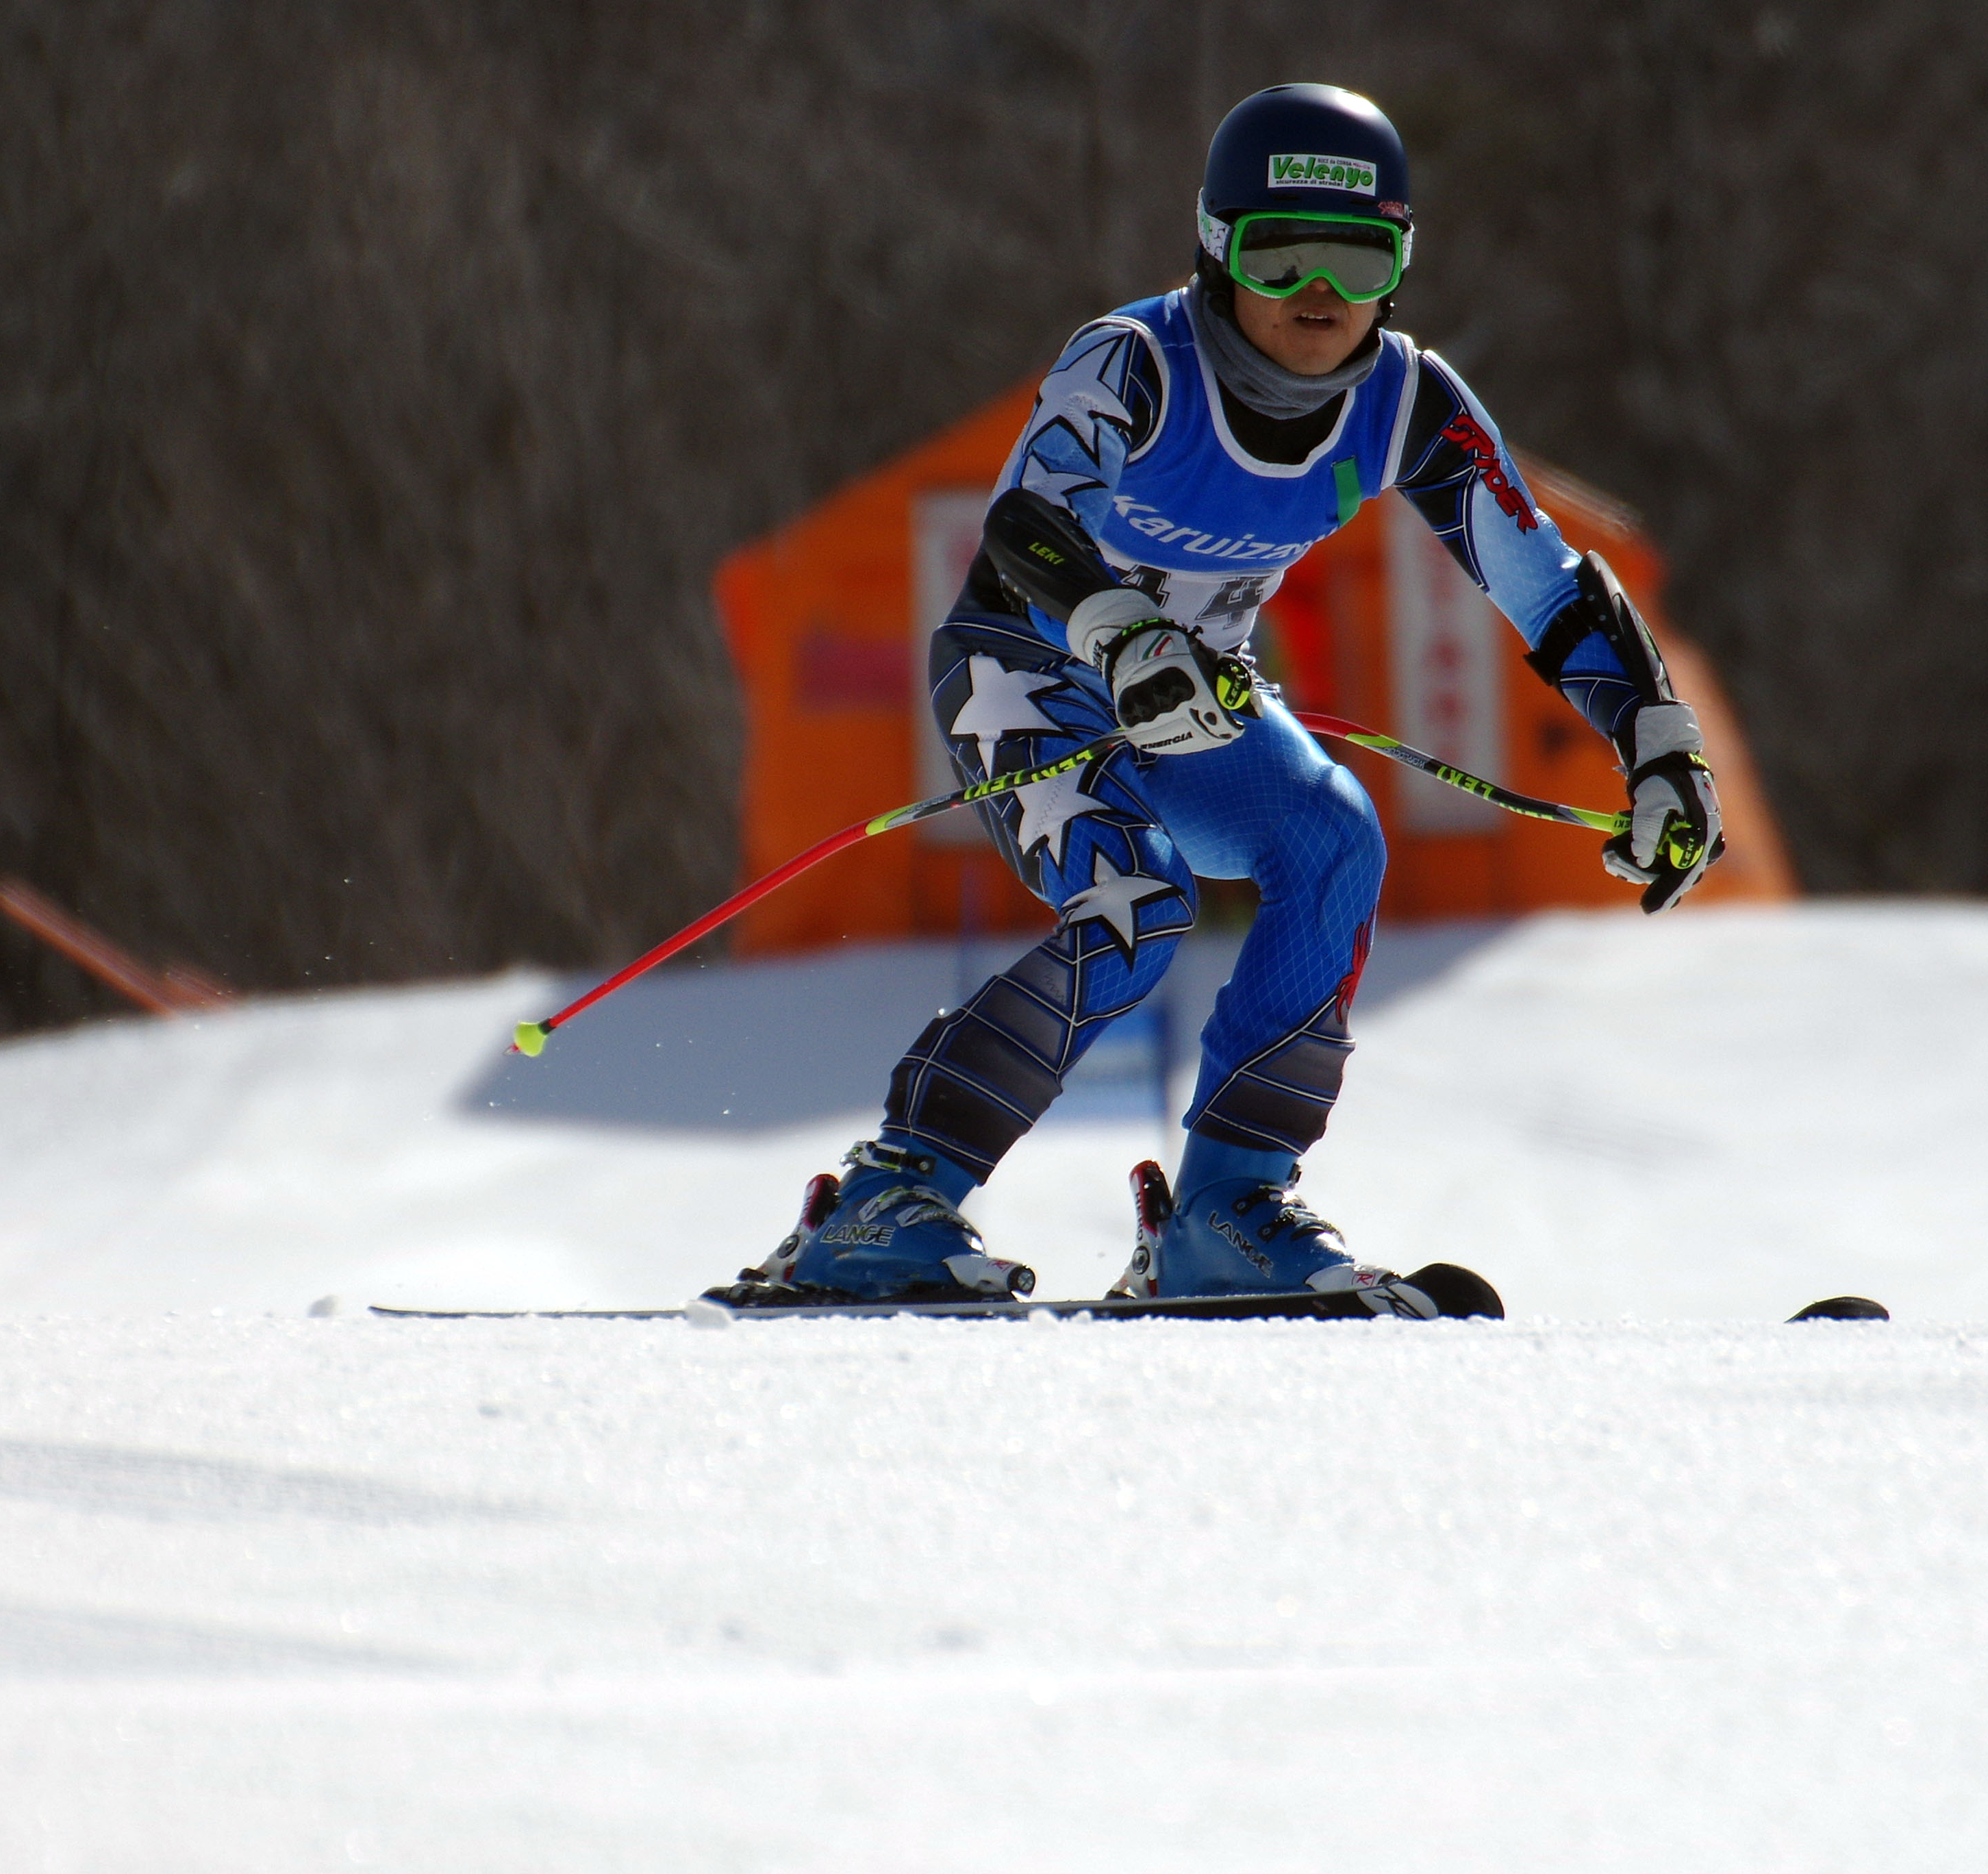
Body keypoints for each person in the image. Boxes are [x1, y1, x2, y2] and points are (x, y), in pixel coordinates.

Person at [737, 84, 1724, 1309]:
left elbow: (1548, 585)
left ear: (1401, 267)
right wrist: (1121, 637)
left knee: (1334, 841)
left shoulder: (1407, 402)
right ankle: (889, 1197)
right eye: (1280, 254)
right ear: (1216, 246)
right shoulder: (1138, 360)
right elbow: (1026, 526)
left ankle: (1226, 1211)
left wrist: (1658, 741)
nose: (1321, 293)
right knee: (1137, 898)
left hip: (1197, 695)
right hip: (1026, 668)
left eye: (1360, 261)